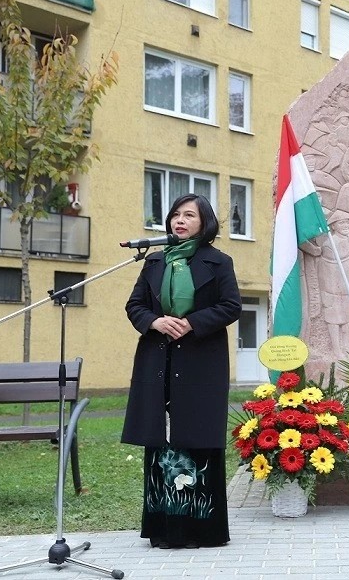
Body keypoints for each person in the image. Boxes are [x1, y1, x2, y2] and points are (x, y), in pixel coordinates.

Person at [121, 193, 242, 549]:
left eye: (189, 215)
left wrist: (191, 323)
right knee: (162, 441)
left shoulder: (219, 262)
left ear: (204, 223)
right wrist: (155, 320)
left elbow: (231, 306)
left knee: (197, 439)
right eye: (176, 214)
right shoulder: (154, 262)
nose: (180, 220)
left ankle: (202, 529)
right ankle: (163, 528)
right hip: (159, 360)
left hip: (201, 363)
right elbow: (135, 305)